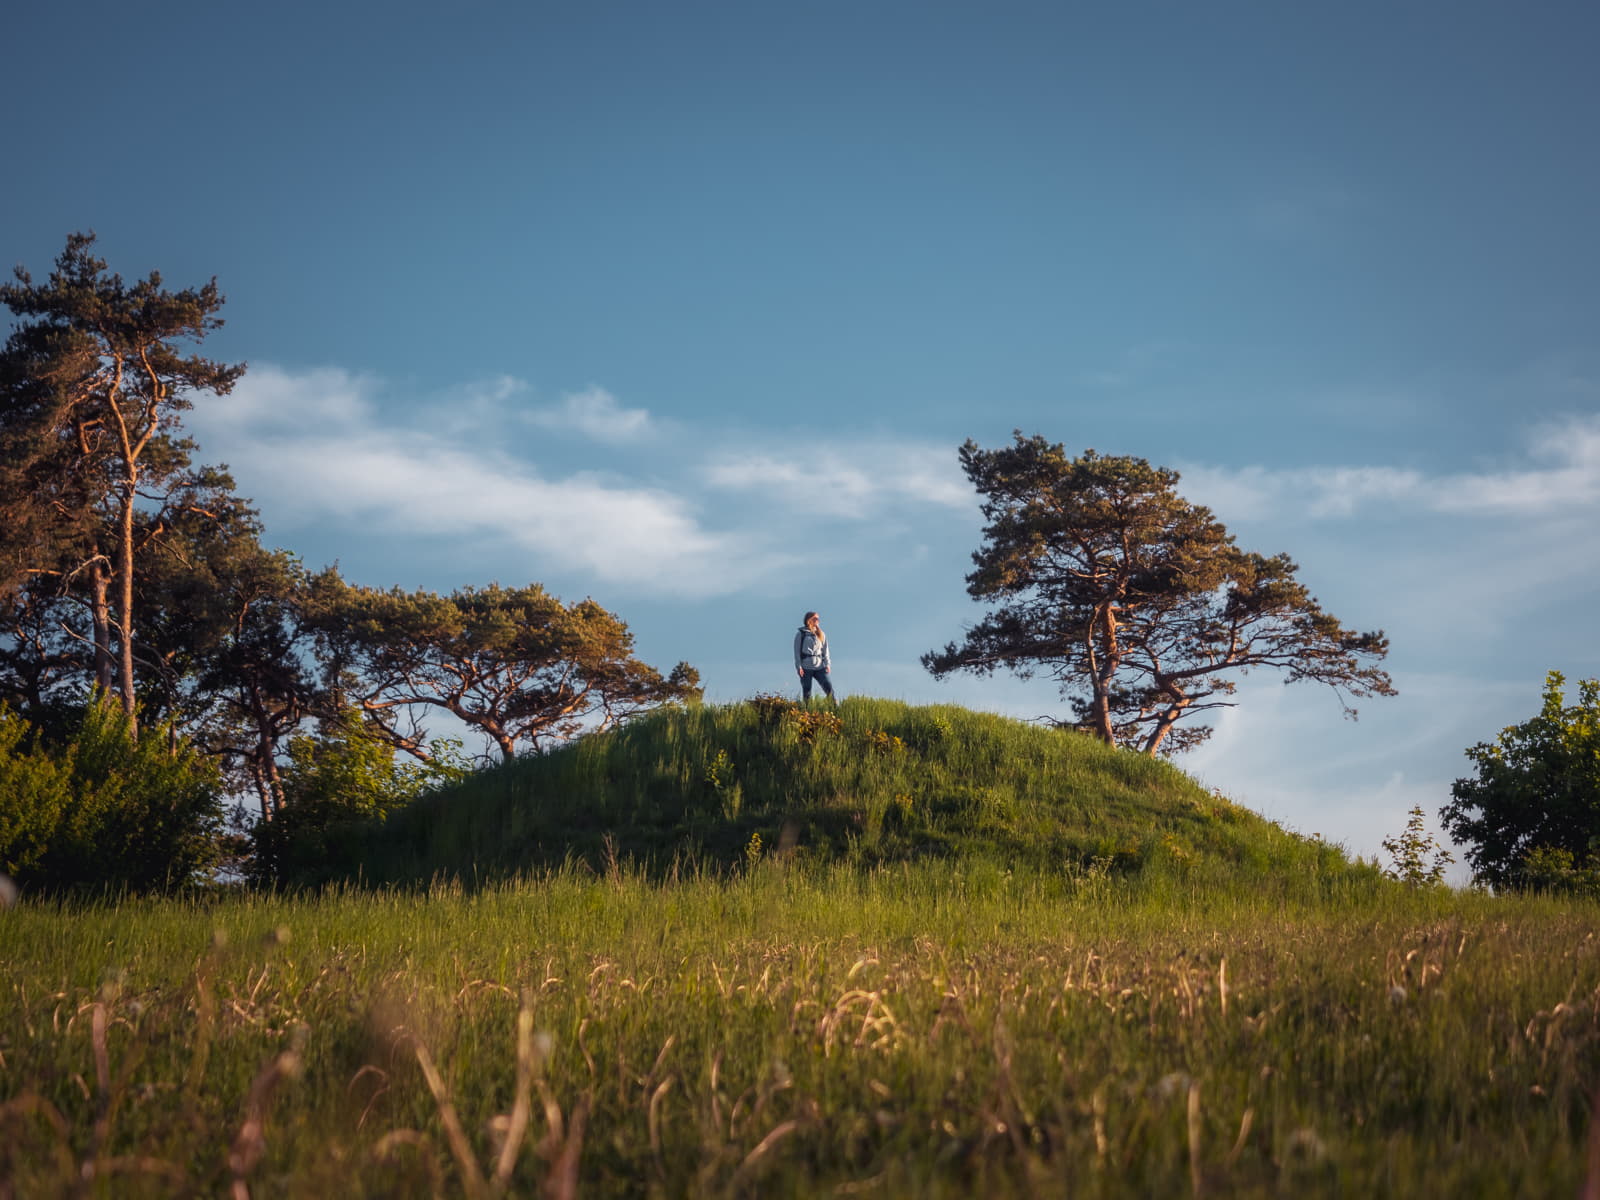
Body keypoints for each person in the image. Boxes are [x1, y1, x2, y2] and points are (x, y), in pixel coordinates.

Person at [793, 611, 835, 701]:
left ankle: (834, 707)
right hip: (806, 667)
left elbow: (825, 650)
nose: (817, 620)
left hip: (819, 666)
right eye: (815, 618)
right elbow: (796, 652)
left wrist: (827, 664)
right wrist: (799, 667)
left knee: (828, 688)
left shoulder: (821, 634)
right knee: (807, 690)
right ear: (809, 620)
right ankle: (807, 712)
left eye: (818, 619)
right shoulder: (801, 634)